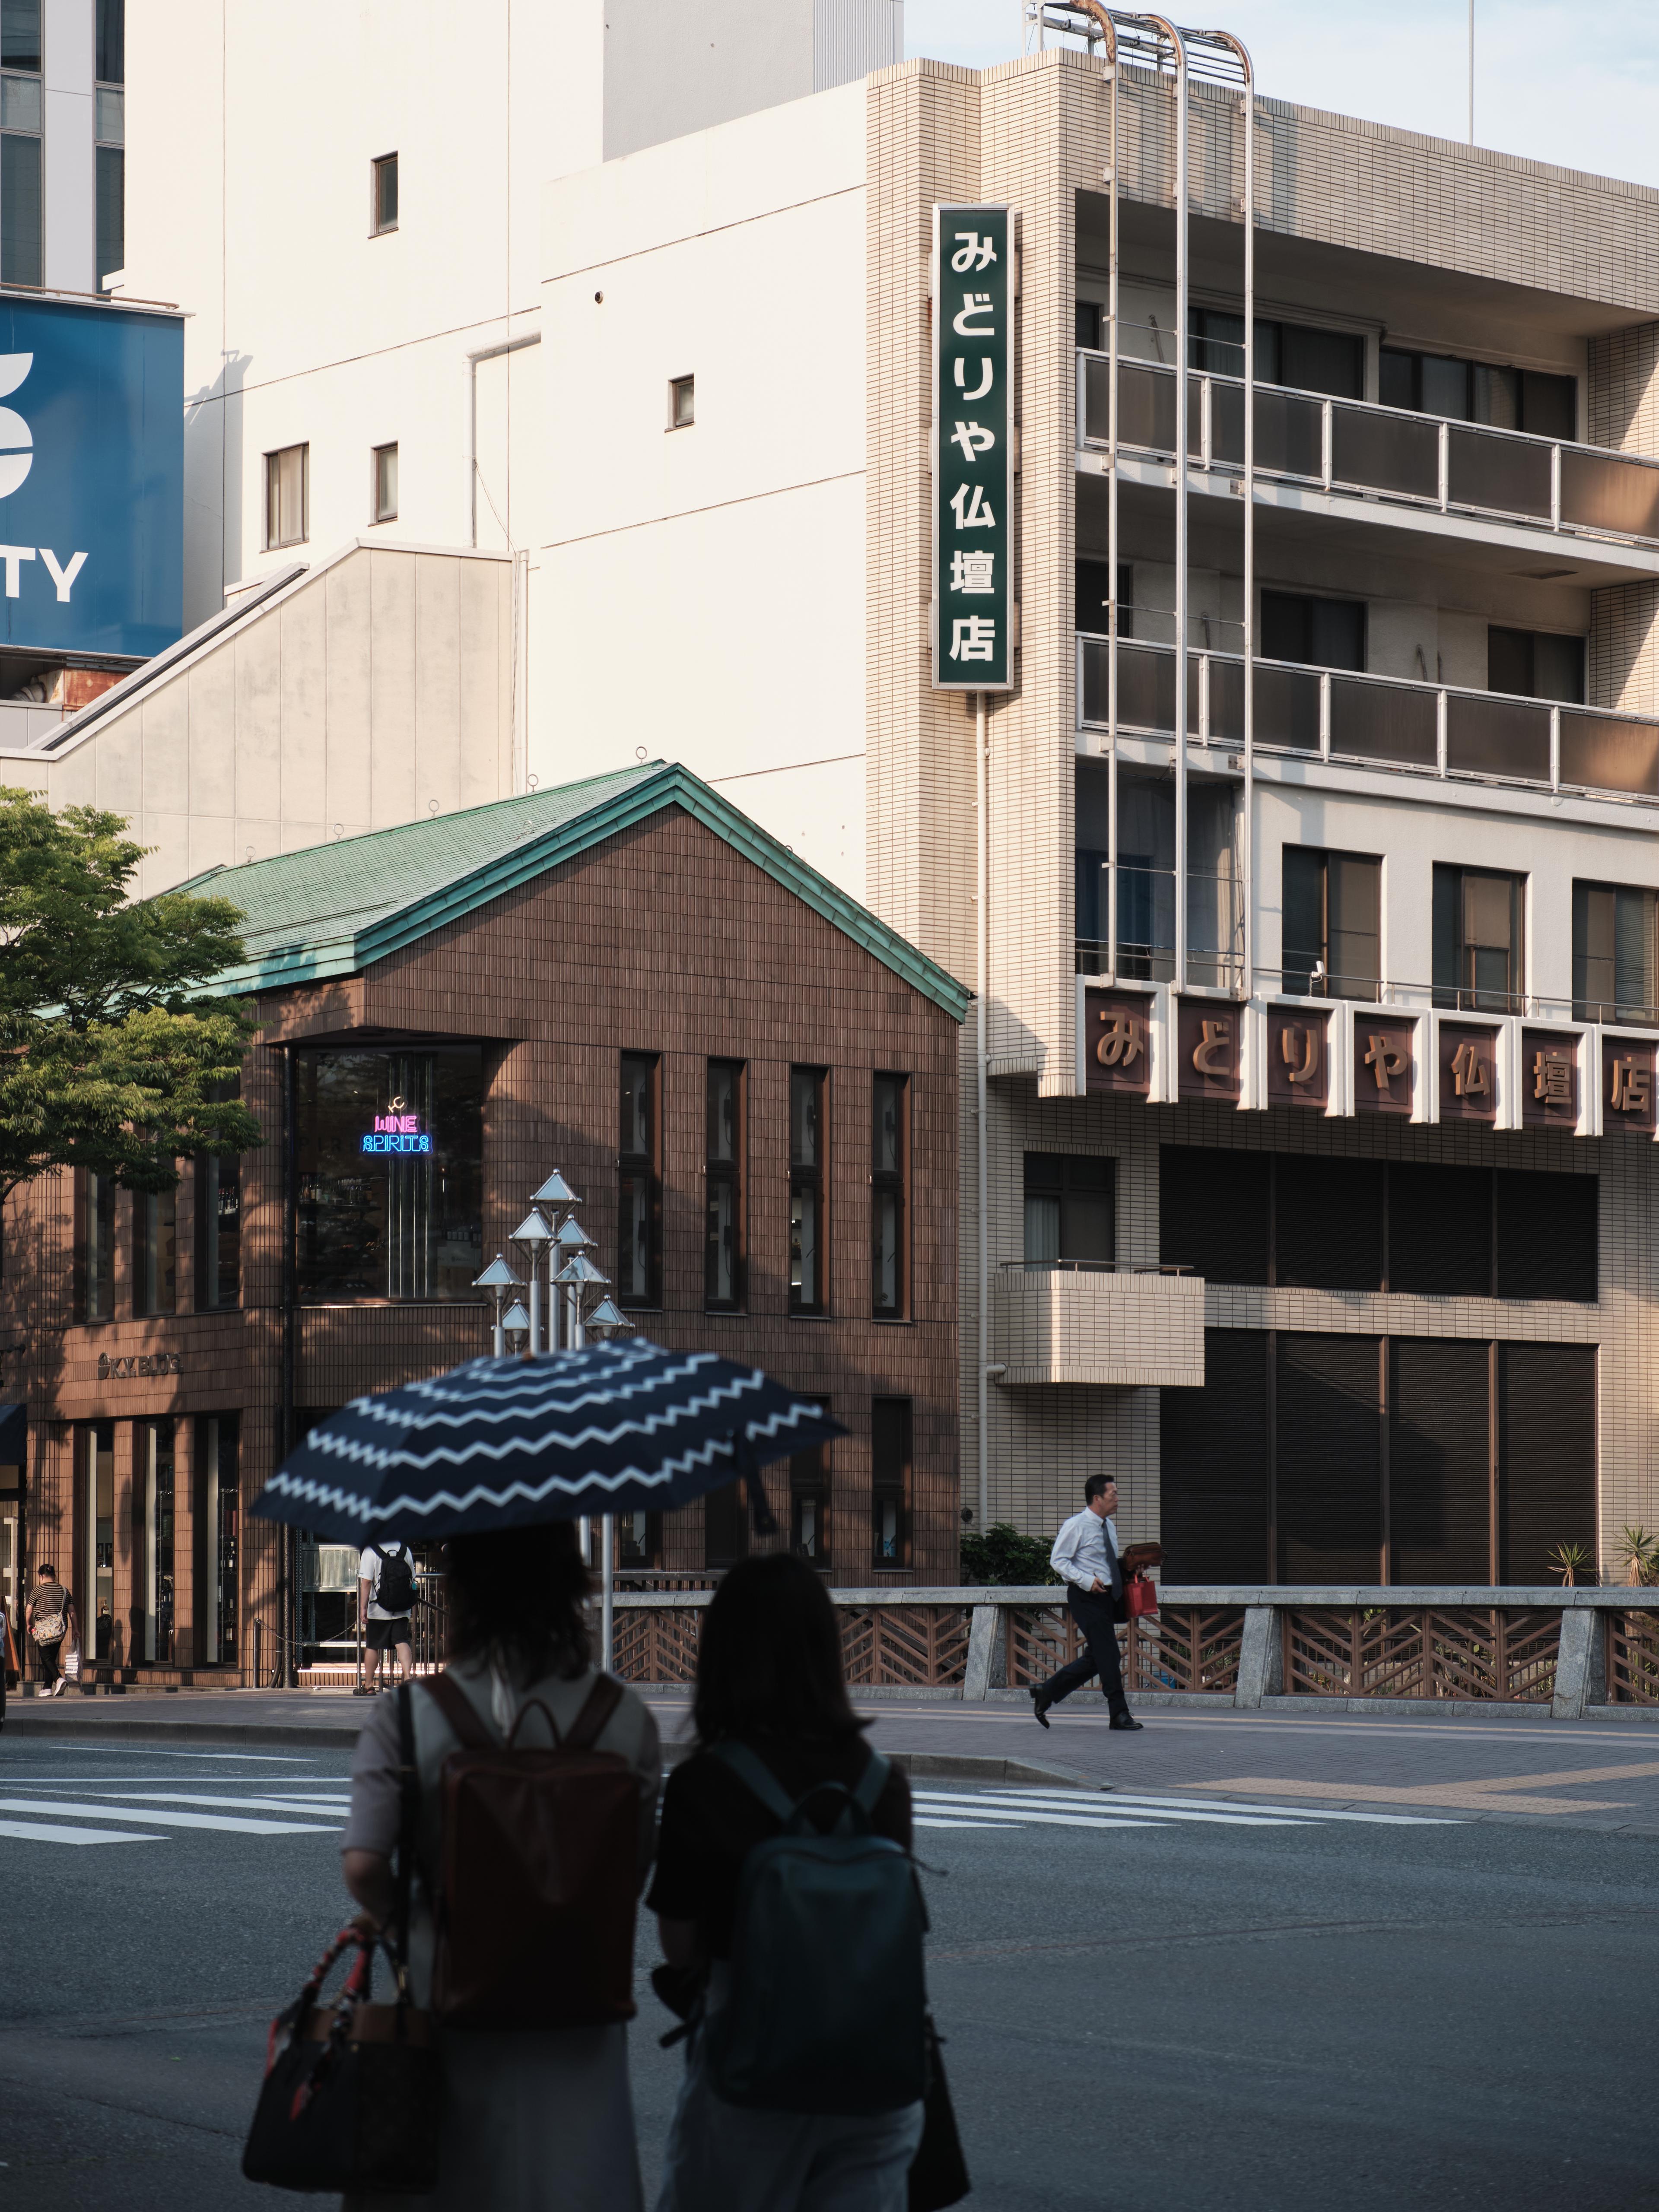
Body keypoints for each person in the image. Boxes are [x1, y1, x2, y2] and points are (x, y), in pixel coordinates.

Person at [339, 1520, 661, 2211]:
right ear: (569, 1589)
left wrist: (405, 1919)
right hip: (581, 2000)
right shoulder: (625, 1718)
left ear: (461, 1594)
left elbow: (365, 1863)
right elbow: (633, 1869)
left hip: (447, 1995)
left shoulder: (409, 1716)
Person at [650, 1552, 925, 2212]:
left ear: (722, 1654)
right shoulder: (881, 1781)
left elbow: (680, 1947)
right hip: (878, 2074)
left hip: (752, 2069)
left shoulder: (705, 1783)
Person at [1029, 1475, 1144, 1733]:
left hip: (1108, 1598)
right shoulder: (1076, 1525)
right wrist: (1085, 1580)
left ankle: (1046, 1692)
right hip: (1085, 1597)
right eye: (1113, 1494)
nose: (1118, 1499)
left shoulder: (1109, 1526)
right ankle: (1119, 1713)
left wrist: (1131, 1566)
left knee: (1097, 1658)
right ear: (1097, 1498)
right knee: (1110, 1654)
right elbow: (1059, 1561)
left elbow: (1107, 1563)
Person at [356, 1538, 416, 1694]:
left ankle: (368, 1686)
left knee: (373, 1646)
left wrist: (363, 1608)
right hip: (402, 1608)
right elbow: (412, 1578)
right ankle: (408, 1677)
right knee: (402, 1641)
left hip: (377, 1608)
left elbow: (367, 1582)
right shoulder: (405, 1549)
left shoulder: (371, 1550)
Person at [25, 1563, 76, 1699]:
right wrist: (76, 1629)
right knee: (51, 1658)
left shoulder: (37, 1591)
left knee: (46, 1657)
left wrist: (28, 1624)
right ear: (54, 1576)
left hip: (43, 1629)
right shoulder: (65, 1590)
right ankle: (47, 1688)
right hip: (60, 1629)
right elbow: (72, 1612)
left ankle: (59, 1679)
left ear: (41, 1576)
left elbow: (29, 1610)